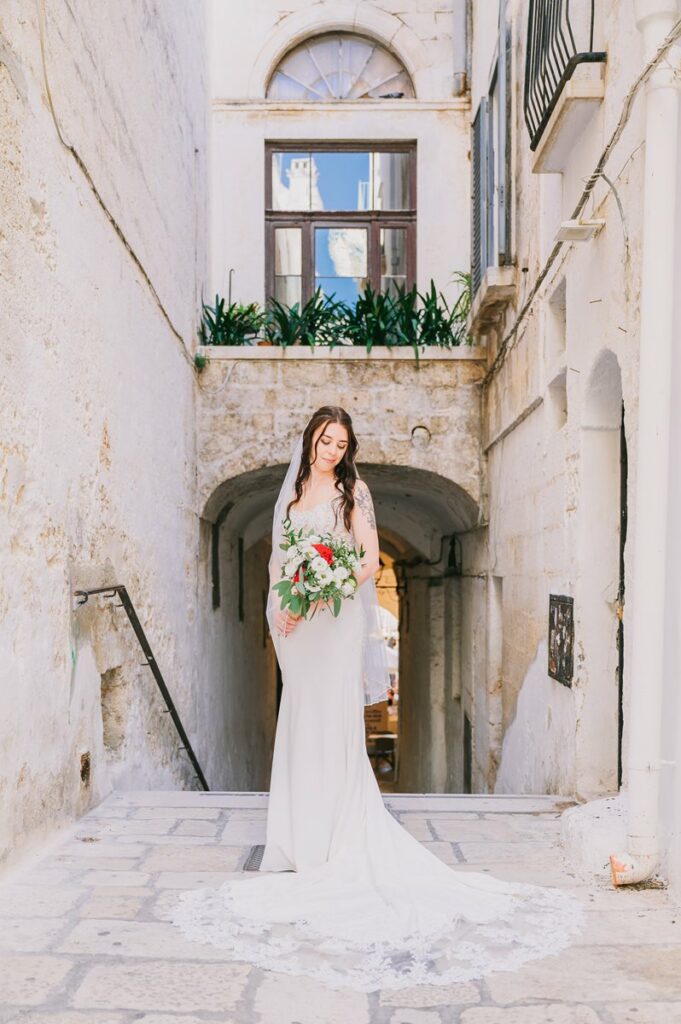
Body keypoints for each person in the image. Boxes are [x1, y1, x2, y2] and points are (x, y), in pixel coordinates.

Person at [171, 405, 583, 992]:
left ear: (348, 448)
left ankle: (335, 836)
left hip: (333, 621)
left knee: (331, 719)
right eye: (325, 440)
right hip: (295, 623)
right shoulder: (290, 496)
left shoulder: (353, 493)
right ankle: (298, 839)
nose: (332, 450)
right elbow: (279, 560)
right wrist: (282, 608)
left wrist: (322, 592)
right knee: (300, 716)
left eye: (341, 443)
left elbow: (365, 561)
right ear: (310, 438)